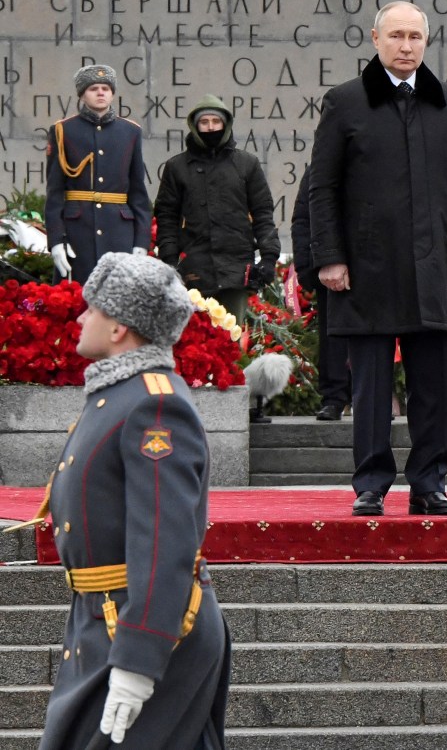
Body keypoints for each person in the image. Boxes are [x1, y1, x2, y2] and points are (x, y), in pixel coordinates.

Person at [34, 252, 230, 750]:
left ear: (119, 326)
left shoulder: (152, 403)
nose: (81, 318)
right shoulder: (120, 392)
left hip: (144, 624)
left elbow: (165, 542)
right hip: (104, 616)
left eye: (92, 309)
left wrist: (140, 660)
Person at [308, 1, 447, 517]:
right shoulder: (345, 102)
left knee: (433, 382)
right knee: (369, 384)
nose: (407, 46)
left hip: (432, 264)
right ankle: (371, 482)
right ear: (375, 39)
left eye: (415, 37)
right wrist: (330, 258)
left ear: (426, 42)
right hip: (365, 267)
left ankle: (429, 481)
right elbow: (322, 187)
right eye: (397, 36)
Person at [154, 94, 280, 321]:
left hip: (236, 266)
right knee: (197, 343)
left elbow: (262, 212)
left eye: (216, 122)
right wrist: (170, 260)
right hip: (194, 268)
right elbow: (166, 216)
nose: (210, 127)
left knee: (233, 338)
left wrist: (269, 257)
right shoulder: (177, 167)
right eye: (204, 122)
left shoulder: (247, 163)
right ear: (195, 125)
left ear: (225, 124)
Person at [44, 64, 151, 284]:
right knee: (76, 305)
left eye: (105, 88)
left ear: (112, 93)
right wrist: (56, 241)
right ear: (82, 94)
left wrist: (140, 242)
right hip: (77, 232)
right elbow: (55, 193)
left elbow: (138, 194)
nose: (101, 92)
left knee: (118, 306)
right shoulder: (64, 130)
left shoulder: (130, 131)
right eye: (94, 88)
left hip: (119, 232)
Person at [291, 166, 351, 421]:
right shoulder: (319, 169)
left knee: (374, 336)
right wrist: (306, 267)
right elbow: (303, 219)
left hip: (372, 265)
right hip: (330, 263)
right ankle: (334, 398)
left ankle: (371, 395)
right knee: (332, 337)